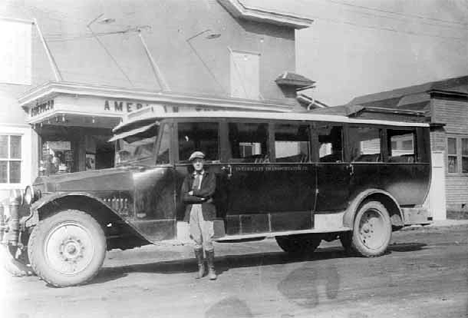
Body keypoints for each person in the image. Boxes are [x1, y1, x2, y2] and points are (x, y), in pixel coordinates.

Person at [181, 151, 217, 280]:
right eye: (195, 161)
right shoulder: (188, 178)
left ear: (203, 162)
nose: (198, 163)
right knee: (197, 240)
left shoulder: (210, 176)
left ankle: (212, 269)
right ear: (192, 163)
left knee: (207, 239)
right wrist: (200, 198)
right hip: (192, 211)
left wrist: (194, 193)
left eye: (200, 161)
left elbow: (210, 191)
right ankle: (201, 268)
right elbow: (184, 197)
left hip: (206, 210)